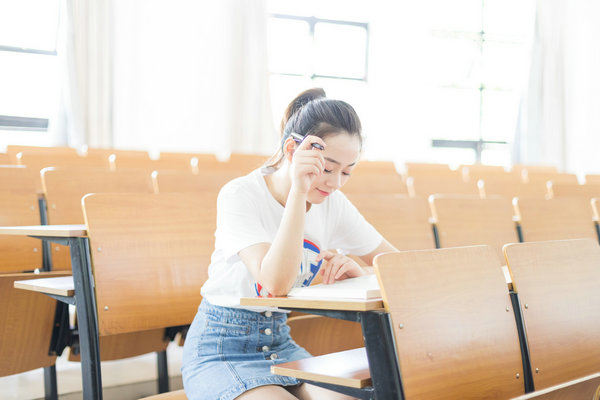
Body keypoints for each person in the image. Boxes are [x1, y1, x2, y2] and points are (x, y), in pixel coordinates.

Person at [181, 88, 397, 400]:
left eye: (347, 172)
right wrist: (298, 191)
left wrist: (363, 272)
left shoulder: (332, 202)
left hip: (281, 345)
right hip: (221, 350)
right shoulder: (240, 194)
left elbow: (399, 268)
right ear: (293, 150)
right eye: (327, 168)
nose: (335, 183)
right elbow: (275, 284)